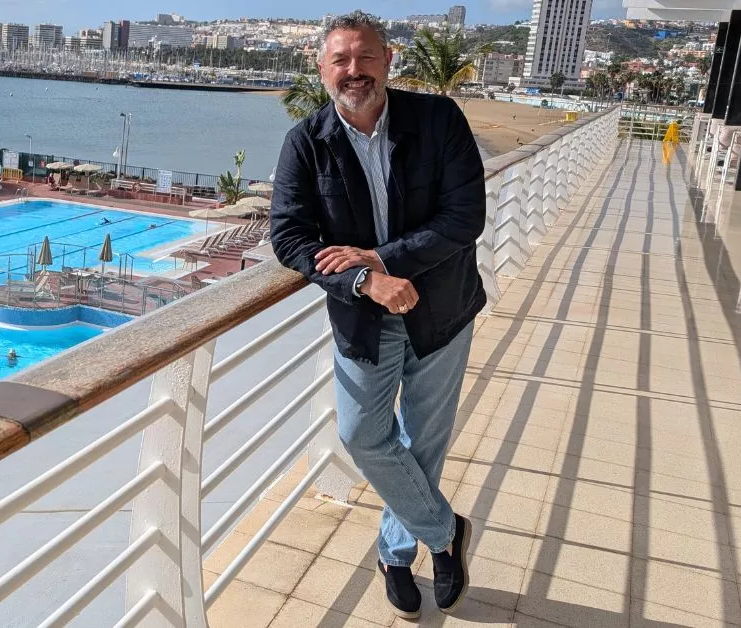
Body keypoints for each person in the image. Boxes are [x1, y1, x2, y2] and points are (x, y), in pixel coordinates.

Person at [268, 11, 483, 619]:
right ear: (321, 68)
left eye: (365, 58)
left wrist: (381, 258)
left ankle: (394, 553)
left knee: (424, 441)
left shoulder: (439, 120)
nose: (353, 71)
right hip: (363, 317)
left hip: (442, 310)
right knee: (362, 433)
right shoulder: (306, 142)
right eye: (341, 60)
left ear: (388, 61)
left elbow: (464, 218)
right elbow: (289, 238)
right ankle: (445, 532)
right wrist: (365, 279)